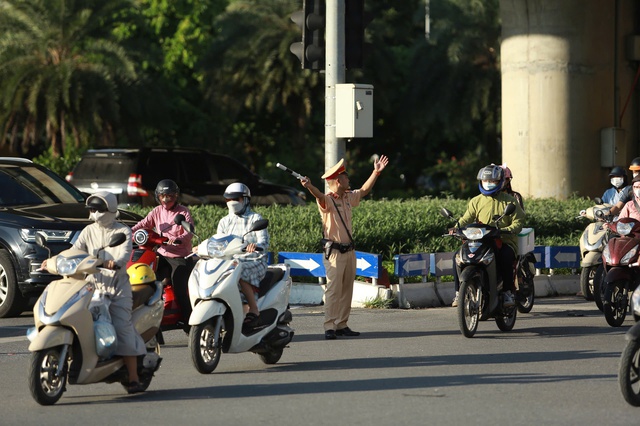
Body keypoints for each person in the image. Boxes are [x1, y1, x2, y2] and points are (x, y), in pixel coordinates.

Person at [43, 191, 147, 394]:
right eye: (91, 209)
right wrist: (54, 260)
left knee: (121, 326)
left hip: (116, 289)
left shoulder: (123, 231)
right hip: (90, 288)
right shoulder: (88, 231)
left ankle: (133, 377)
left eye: (98, 208)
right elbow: (74, 251)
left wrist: (113, 262)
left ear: (109, 209)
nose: (94, 212)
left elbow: (124, 255)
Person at [300, 155, 389, 340]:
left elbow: (364, 190)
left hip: (349, 251)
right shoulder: (328, 200)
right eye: (346, 178)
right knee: (333, 290)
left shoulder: (348, 197)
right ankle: (329, 326)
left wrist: (376, 172)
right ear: (338, 180)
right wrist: (309, 186)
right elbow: (319, 195)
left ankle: (342, 324)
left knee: (347, 289)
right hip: (334, 253)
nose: (349, 180)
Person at [450, 164, 526, 308]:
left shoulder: (510, 201)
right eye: (486, 181)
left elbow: (518, 221)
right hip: (480, 240)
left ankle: (507, 292)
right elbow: (466, 218)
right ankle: (459, 293)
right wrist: (456, 227)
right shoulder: (476, 201)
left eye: (493, 181)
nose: (489, 184)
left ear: (500, 182)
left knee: (505, 256)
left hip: (504, 240)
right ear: (481, 181)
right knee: (457, 257)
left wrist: (508, 229)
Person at [131, 179, 195, 328]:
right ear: (158, 197)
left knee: (179, 287)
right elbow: (142, 224)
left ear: (176, 196)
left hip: (179, 256)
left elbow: (189, 232)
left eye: (170, 196)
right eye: (163, 196)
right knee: (148, 280)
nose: (166, 199)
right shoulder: (157, 211)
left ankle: (189, 322)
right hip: (161, 253)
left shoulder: (183, 212)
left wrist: (178, 239)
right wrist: (128, 232)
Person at [215, 182, 270, 328]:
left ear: (245, 200)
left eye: (236, 199)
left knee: (239, 269)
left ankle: (254, 310)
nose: (232, 203)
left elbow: (264, 242)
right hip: (232, 260)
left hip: (255, 260)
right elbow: (219, 242)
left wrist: (255, 246)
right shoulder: (224, 222)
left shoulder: (255, 219)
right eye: (228, 199)